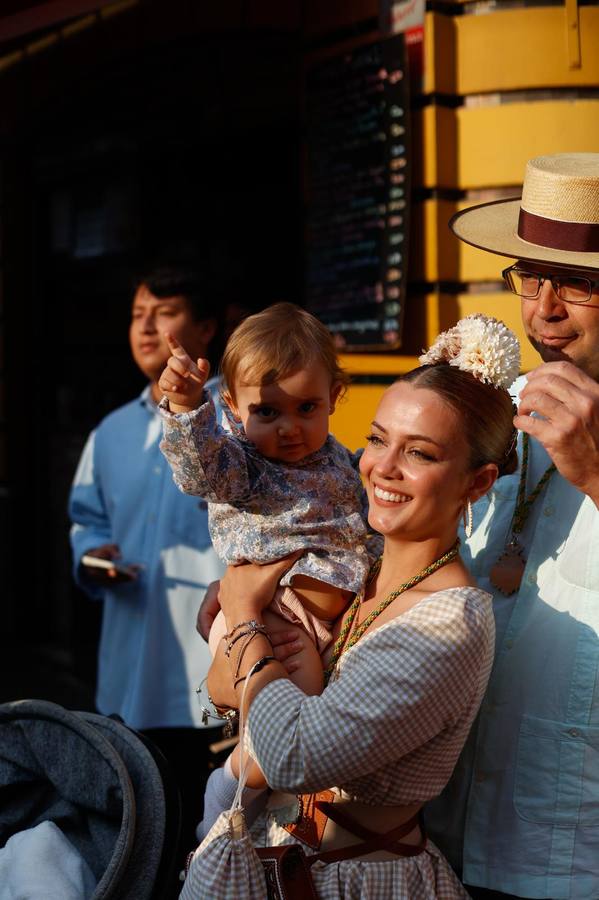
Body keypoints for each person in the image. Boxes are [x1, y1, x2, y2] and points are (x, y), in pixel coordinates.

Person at [181, 314, 521, 899]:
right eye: (377, 439)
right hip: (273, 865)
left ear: (478, 481)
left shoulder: (449, 622)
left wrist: (241, 615)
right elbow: (218, 691)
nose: (383, 468)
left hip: (364, 879)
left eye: (420, 453)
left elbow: (292, 755)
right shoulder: (352, 578)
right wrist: (242, 624)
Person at [425, 152, 599, 900]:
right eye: (531, 277)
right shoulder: (501, 402)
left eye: (580, 283)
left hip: (571, 851)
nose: (543, 310)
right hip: (446, 828)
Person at [68, 259, 225, 863]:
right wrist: (93, 554)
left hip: (209, 673)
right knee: (137, 837)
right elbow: (87, 519)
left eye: (164, 314)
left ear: (206, 328)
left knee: (207, 840)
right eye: (138, 315)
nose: (145, 328)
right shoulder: (109, 432)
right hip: (129, 665)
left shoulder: (237, 421)